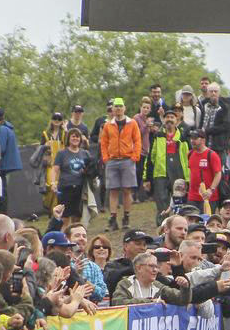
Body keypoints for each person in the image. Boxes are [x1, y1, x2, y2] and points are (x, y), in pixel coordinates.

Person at [99, 97, 143, 231]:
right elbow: (104, 142)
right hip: (112, 161)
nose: (118, 109)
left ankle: (126, 217)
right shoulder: (108, 125)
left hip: (127, 159)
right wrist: (106, 158)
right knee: (112, 191)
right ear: (112, 109)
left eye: (120, 106)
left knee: (127, 190)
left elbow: (137, 140)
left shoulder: (132, 123)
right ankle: (113, 219)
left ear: (124, 108)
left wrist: (135, 156)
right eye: (116, 106)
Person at [148, 110, 190, 223]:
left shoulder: (184, 136)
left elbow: (189, 156)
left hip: (179, 173)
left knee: (180, 202)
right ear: (164, 120)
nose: (169, 119)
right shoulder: (158, 136)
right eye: (167, 117)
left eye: (172, 117)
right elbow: (151, 157)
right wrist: (146, 178)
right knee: (161, 203)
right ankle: (162, 228)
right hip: (161, 174)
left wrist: (188, 177)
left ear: (177, 121)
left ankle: (181, 226)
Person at [54, 129, 95, 221]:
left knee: (77, 217)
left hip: (80, 188)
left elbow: (91, 168)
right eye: (73, 136)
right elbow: (55, 169)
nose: (75, 138)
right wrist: (53, 183)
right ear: (68, 138)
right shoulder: (61, 153)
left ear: (80, 139)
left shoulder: (85, 153)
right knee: (64, 219)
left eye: (77, 136)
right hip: (65, 188)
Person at [186, 129, 223, 211]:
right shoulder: (190, 154)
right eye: (191, 138)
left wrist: (211, 190)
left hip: (208, 197)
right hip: (192, 197)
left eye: (195, 138)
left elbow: (218, 174)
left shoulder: (212, 155)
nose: (192, 141)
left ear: (203, 140)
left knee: (206, 222)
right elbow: (191, 172)